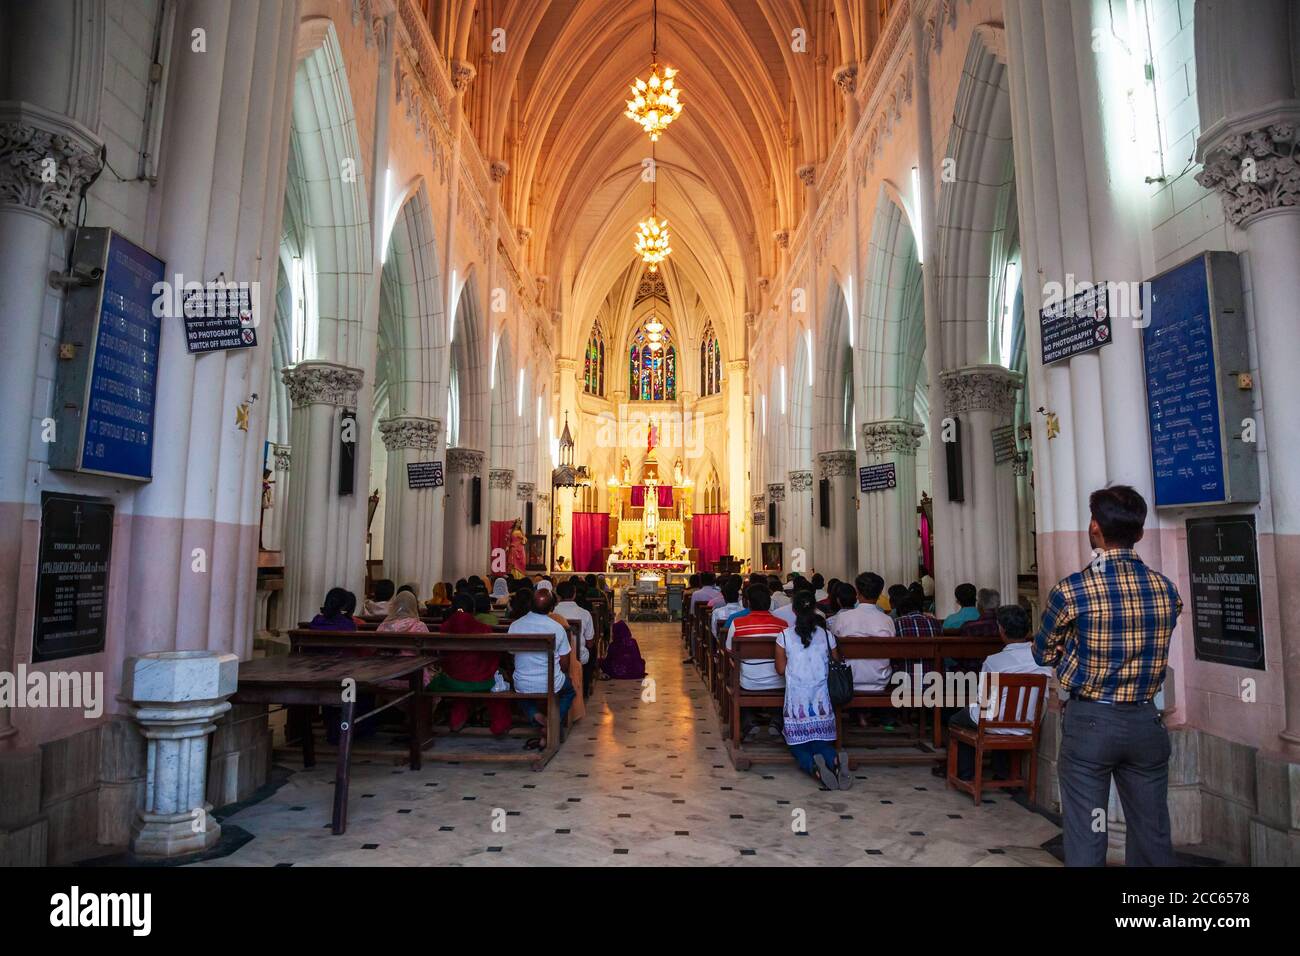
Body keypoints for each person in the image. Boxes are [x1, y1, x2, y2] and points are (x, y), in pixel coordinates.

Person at [1035, 485, 1181, 867]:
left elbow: (1042, 651)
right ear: (1140, 532)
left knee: (1087, 829)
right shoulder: (1166, 590)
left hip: (1092, 721)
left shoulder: (1073, 591)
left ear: (1095, 527)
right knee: (1152, 832)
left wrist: (1074, 656)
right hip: (1147, 720)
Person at [944, 604, 1054, 780]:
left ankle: (964, 774)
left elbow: (983, 699)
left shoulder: (995, 661)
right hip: (1029, 724)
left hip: (994, 724)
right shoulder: (1043, 659)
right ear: (1027, 630)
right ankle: (1002, 771)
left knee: (956, 718)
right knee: (1000, 713)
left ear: (1001, 630)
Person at [776, 591, 852, 791]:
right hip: (822, 698)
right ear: (815, 609)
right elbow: (836, 661)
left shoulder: (784, 636)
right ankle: (833, 759)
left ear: (794, 610)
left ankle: (814, 768)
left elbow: (781, 669)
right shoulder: (827, 636)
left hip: (797, 700)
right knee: (820, 742)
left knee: (798, 745)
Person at [430, 592, 512, 736]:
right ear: (473, 610)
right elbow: (492, 655)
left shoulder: (444, 628)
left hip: (452, 680)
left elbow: (441, 656)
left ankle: (438, 719)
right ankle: (499, 723)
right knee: (497, 681)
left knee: (433, 684)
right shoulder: (483, 628)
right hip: (482, 680)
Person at [508, 587, 576, 750]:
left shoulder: (515, 626)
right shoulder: (557, 628)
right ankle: (551, 724)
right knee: (569, 690)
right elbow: (565, 664)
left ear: (530, 604)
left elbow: (511, 654)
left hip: (523, 681)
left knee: (518, 689)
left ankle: (537, 717)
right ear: (552, 608)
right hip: (551, 681)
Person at [726, 584, 788, 740]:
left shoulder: (738, 624)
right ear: (769, 603)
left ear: (748, 603)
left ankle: (749, 722)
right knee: (779, 684)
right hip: (780, 681)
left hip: (748, 682)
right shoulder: (783, 625)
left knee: (737, 677)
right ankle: (776, 722)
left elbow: (730, 651)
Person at [827, 573, 894, 692]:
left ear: (857, 593)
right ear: (879, 594)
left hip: (849, 678)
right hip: (880, 679)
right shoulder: (887, 620)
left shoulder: (843, 618)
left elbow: (832, 647)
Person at [555, 580, 596, 697]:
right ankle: (585, 686)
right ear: (574, 595)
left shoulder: (553, 612)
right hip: (578, 655)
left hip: (556, 656)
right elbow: (589, 642)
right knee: (591, 650)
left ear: (558, 595)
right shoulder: (584, 613)